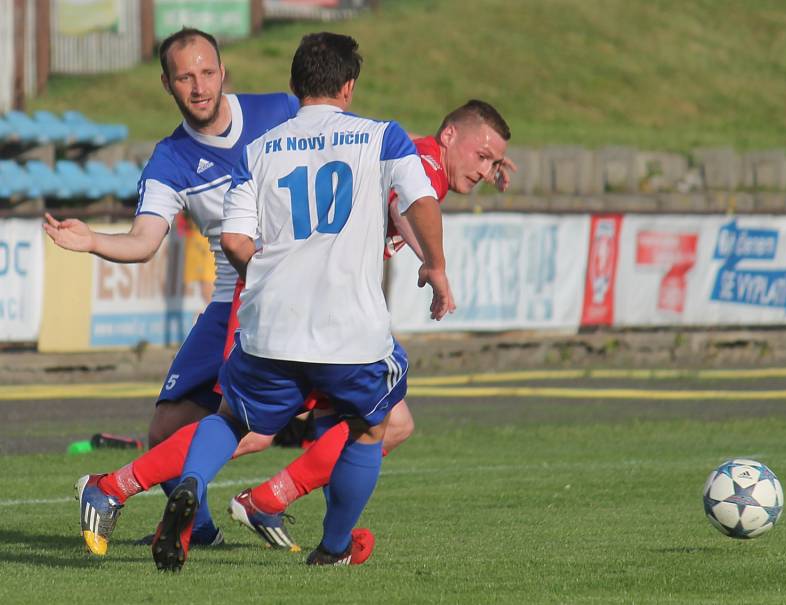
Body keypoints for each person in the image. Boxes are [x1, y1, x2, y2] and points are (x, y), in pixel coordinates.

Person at [149, 31, 455, 572]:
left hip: (271, 325)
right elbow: (421, 198)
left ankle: (191, 484)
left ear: (294, 86)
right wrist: (434, 264)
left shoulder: (258, 149)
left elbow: (236, 240)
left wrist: (271, 277)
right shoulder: (382, 137)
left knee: (230, 417)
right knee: (371, 425)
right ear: (349, 87)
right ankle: (333, 547)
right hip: (349, 329)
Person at [43, 27, 300, 554]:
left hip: (294, 298)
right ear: (167, 84)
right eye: (185, 77)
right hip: (232, 301)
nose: (199, 86)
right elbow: (143, 242)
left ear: (223, 72)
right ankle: (200, 528)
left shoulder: (281, 111)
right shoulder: (170, 160)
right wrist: (91, 238)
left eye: (207, 72)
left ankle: (278, 505)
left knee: (282, 420)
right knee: (165, 430)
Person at [229, 99, 513, 543]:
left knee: (324, 426)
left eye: (493, 162)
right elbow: (402, 204)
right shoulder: (426, 166)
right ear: (450, 136)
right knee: (258, 429)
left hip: (310, 301)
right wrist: (433, 265)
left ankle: (259, 500)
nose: (483, 170)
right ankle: (167, 481)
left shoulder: (424, 154)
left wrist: (489, 161)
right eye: (482, 156)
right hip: (310, 305)